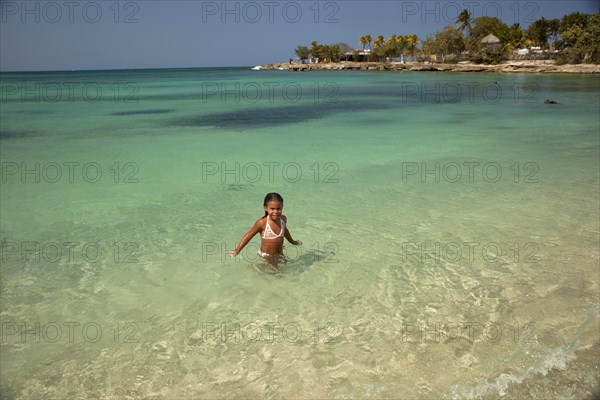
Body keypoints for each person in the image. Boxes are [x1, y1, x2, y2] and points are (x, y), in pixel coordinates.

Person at [230, 193, 301, 264]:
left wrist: (292, 241)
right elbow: (249, 235)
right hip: (266, 258)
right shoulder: (262, 223)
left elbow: (285, 231)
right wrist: (237, 250)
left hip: (279, 254)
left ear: (282, 207)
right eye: (272, 209)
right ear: (265, 208)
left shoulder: (283, 219)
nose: (275, 212)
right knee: (274, 274)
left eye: (278, 208)